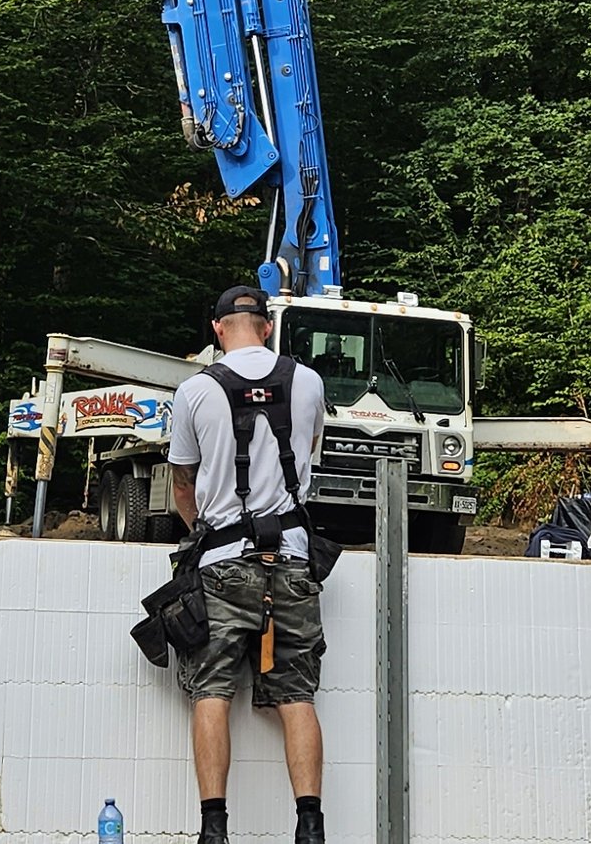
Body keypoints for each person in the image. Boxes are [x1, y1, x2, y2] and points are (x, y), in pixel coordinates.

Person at [166, 286, 329, 844]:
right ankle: (310, 826)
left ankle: (214, 829)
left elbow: (182, 486)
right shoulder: (308, 382)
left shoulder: (194, 390)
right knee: (297, 694)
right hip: (291, 561)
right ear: (266, 326)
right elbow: (308, 455)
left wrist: (206, 533)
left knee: (211, 691)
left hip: (222, 563)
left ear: (217, 329)